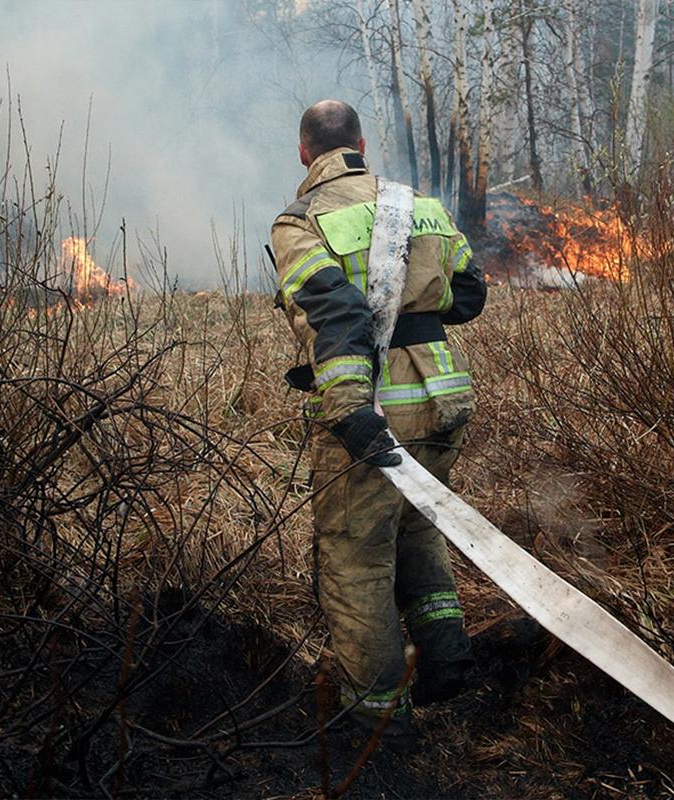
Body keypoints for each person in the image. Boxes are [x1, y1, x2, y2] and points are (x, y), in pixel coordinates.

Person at [269, 100, 488, 751]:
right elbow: (469, 294)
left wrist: (347, 408)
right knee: (416, 526)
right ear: (361, 143)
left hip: (373, 408)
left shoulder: (299, 221)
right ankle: (448, 660)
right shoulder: (420, 204)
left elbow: (333, 311)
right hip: (442, 396)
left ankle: (377, 728)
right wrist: (417, 295)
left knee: (357, 557)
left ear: (305, 153)